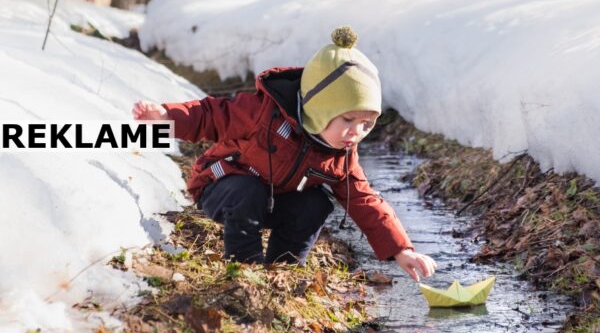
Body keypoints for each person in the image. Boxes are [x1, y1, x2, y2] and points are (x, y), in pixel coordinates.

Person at [132, 26, 437, 282]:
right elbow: (211, 115)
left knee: (315, 203)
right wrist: (165, 118)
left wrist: (402, 250)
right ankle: (245, 271)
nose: (356, 132)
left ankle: (283, 270)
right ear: (320, 109)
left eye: (366, 124)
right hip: (222, 188)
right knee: (248, 190)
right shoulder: (263, 114)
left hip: (274, 200)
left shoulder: (340, 153)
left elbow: (363, 198)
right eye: (347, 120)